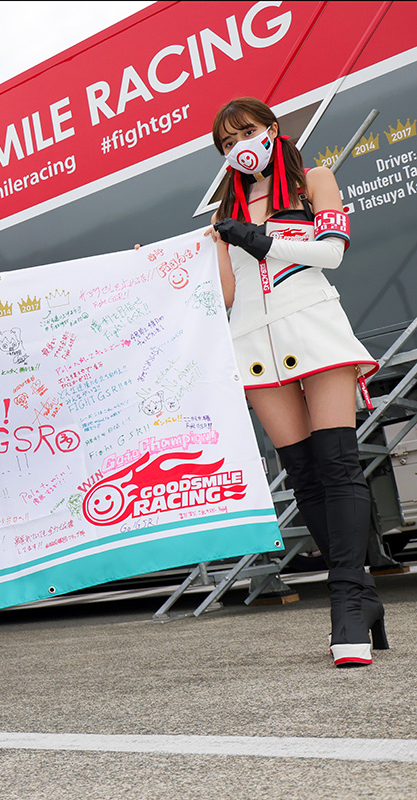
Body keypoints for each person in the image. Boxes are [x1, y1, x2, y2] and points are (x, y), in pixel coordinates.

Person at [206, 97, 385, 668]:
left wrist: (263, 241)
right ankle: (362, 596)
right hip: (254, 346)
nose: (240, 147)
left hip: (314, 331)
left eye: (246, 132)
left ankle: (347, 603)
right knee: (305, 476)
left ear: (271, 129)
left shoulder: (313, 181)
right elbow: (225, 294)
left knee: (338, 465)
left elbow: (332, 254)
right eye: (227, 143)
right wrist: (171, 267)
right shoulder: (224, 211)